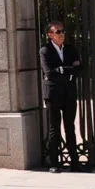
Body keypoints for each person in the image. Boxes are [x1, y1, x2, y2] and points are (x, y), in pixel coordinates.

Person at [39, 21, 84, 173]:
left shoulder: (71, 49)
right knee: (54, 128)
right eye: (58, 32)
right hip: (53, 94)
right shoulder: (45, 51)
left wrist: (63, 70)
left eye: (63, 31)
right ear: (50, 35)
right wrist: (68, 71)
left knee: (70, 127)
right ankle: (54, 163)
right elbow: (49, 73)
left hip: (69, 93)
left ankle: (75, 162)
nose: (62, 34)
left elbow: (79, 69)